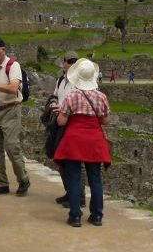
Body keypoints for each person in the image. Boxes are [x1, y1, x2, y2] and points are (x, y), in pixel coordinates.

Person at [54, 58, 111, 227]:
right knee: (95, 178)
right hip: (94, 140)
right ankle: (97, 215)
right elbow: (106, 120)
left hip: (74, 139)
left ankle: (75, 215)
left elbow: (61, 122)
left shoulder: (72, 96)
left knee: (74, 177)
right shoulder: (101, 97)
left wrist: (62, 114)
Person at [0, 37, 30, 196]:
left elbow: (14, 88)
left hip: (11, 110)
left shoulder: (13, 66)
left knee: (11, 147)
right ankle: (2, 182)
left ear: (2, 50)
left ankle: (23, 179)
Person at [44, 51, 80, 207]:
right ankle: (70, 192)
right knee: (60, 159)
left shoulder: (80, 82)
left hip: (72, 124)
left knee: (71, 161)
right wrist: (53, 104)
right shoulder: (61, 81)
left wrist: (63, 108)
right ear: (63, 63)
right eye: (69, 61)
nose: (71, 64)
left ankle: (78, 197)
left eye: (74, 61)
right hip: (60, 122)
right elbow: (55, 96)